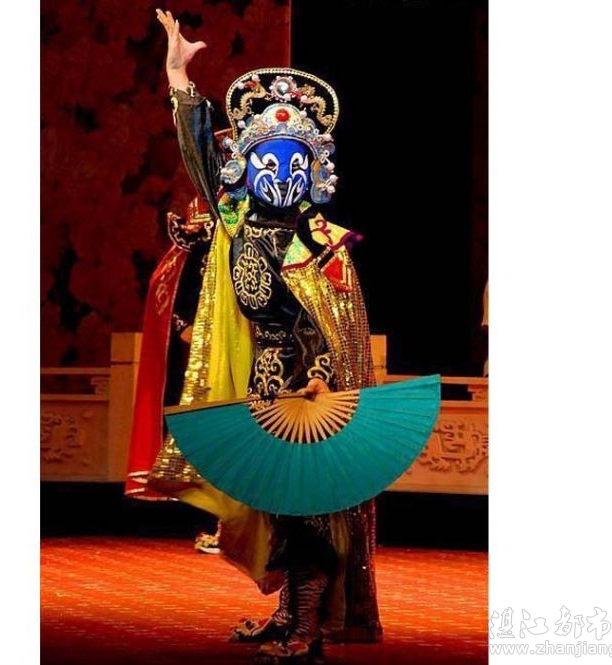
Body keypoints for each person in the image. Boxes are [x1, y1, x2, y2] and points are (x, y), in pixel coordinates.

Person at [130, 9, 383, 661]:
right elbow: (199, 153)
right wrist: (178, 77)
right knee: (275, 503)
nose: (279, 173)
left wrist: (319, 376)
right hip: (263, 380)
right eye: (265, 160)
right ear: (244, 167)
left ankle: (307, 627)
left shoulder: (319, 243)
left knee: (306, 507)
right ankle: (288, 612)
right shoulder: (237, 221)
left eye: (293, 162)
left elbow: (327, 325)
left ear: (314, 172)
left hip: (311, 390)